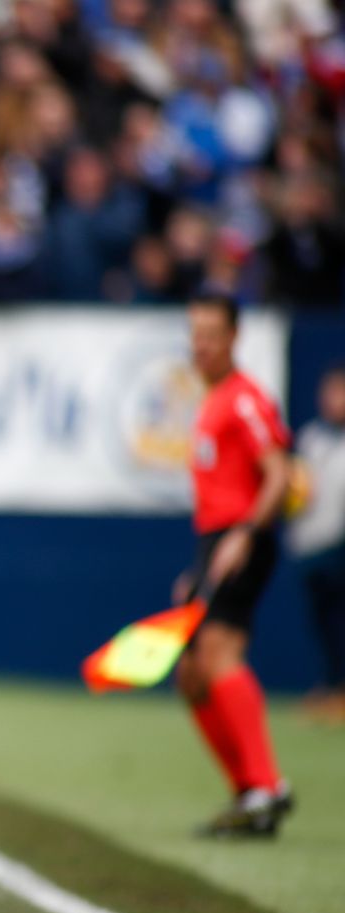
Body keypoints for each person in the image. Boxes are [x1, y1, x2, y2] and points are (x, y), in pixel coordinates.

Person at [173, 292, 292, 836]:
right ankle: (250, 790)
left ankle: (265, 788)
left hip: (244, 537)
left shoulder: (245, 398)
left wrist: (244, 534)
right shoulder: (214, 398)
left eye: (211, 334)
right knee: (191, 675)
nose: (201, 345)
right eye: (195, 333)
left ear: (233, 338)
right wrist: (197, 568)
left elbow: (279, 474)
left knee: (219, 652)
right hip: (215, 542)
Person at [287, 365, 345, 724]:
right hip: (311, 544)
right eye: (330, 391)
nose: (335, 399)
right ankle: (331, 686)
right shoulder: (310, 439)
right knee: (322, 621)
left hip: (341, 546)